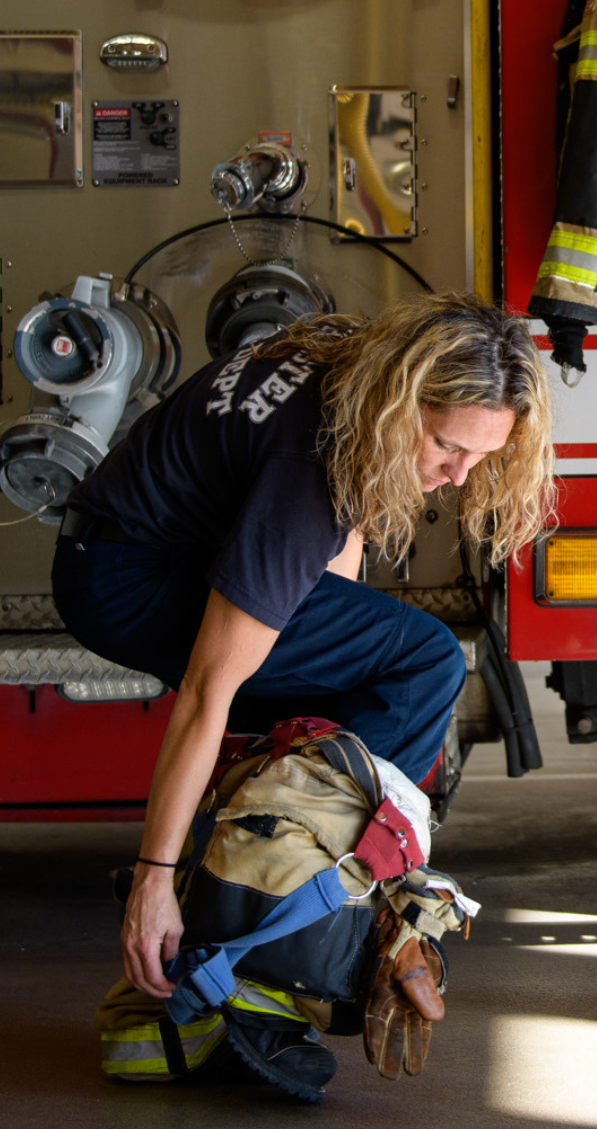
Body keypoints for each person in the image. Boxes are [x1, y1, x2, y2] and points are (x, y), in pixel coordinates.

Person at [51, 293, 554, 1000]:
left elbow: (338, 556)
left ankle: (262, 906)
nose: (458, 477)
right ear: (403, 400)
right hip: (125, 580)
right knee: (425, 663)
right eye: (447, 445)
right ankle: (311, 918)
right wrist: (151, 881)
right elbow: (206, 690)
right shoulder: (307, 465)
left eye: (482, 456)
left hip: (134, 546)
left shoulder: (347, 370)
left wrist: (330, 705)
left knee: (338, 711)